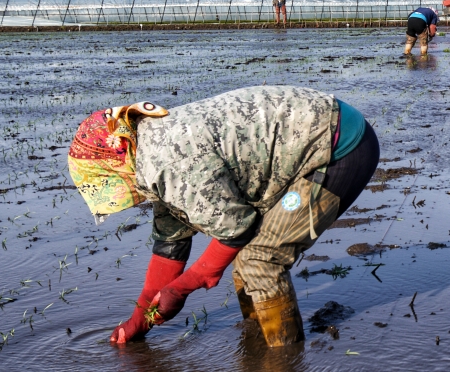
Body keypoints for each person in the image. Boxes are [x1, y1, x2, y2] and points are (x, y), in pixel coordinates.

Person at [67, 85, 379, 347]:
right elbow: (169, 248)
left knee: (260, 259)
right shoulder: (149, 152)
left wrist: (181, 289)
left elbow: (235, 230)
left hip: (340, 144)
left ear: (117, 162)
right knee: (247, 263)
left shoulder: (168, 161)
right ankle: (260, 343)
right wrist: (138, 322)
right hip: (312, 139)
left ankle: (283, 370)